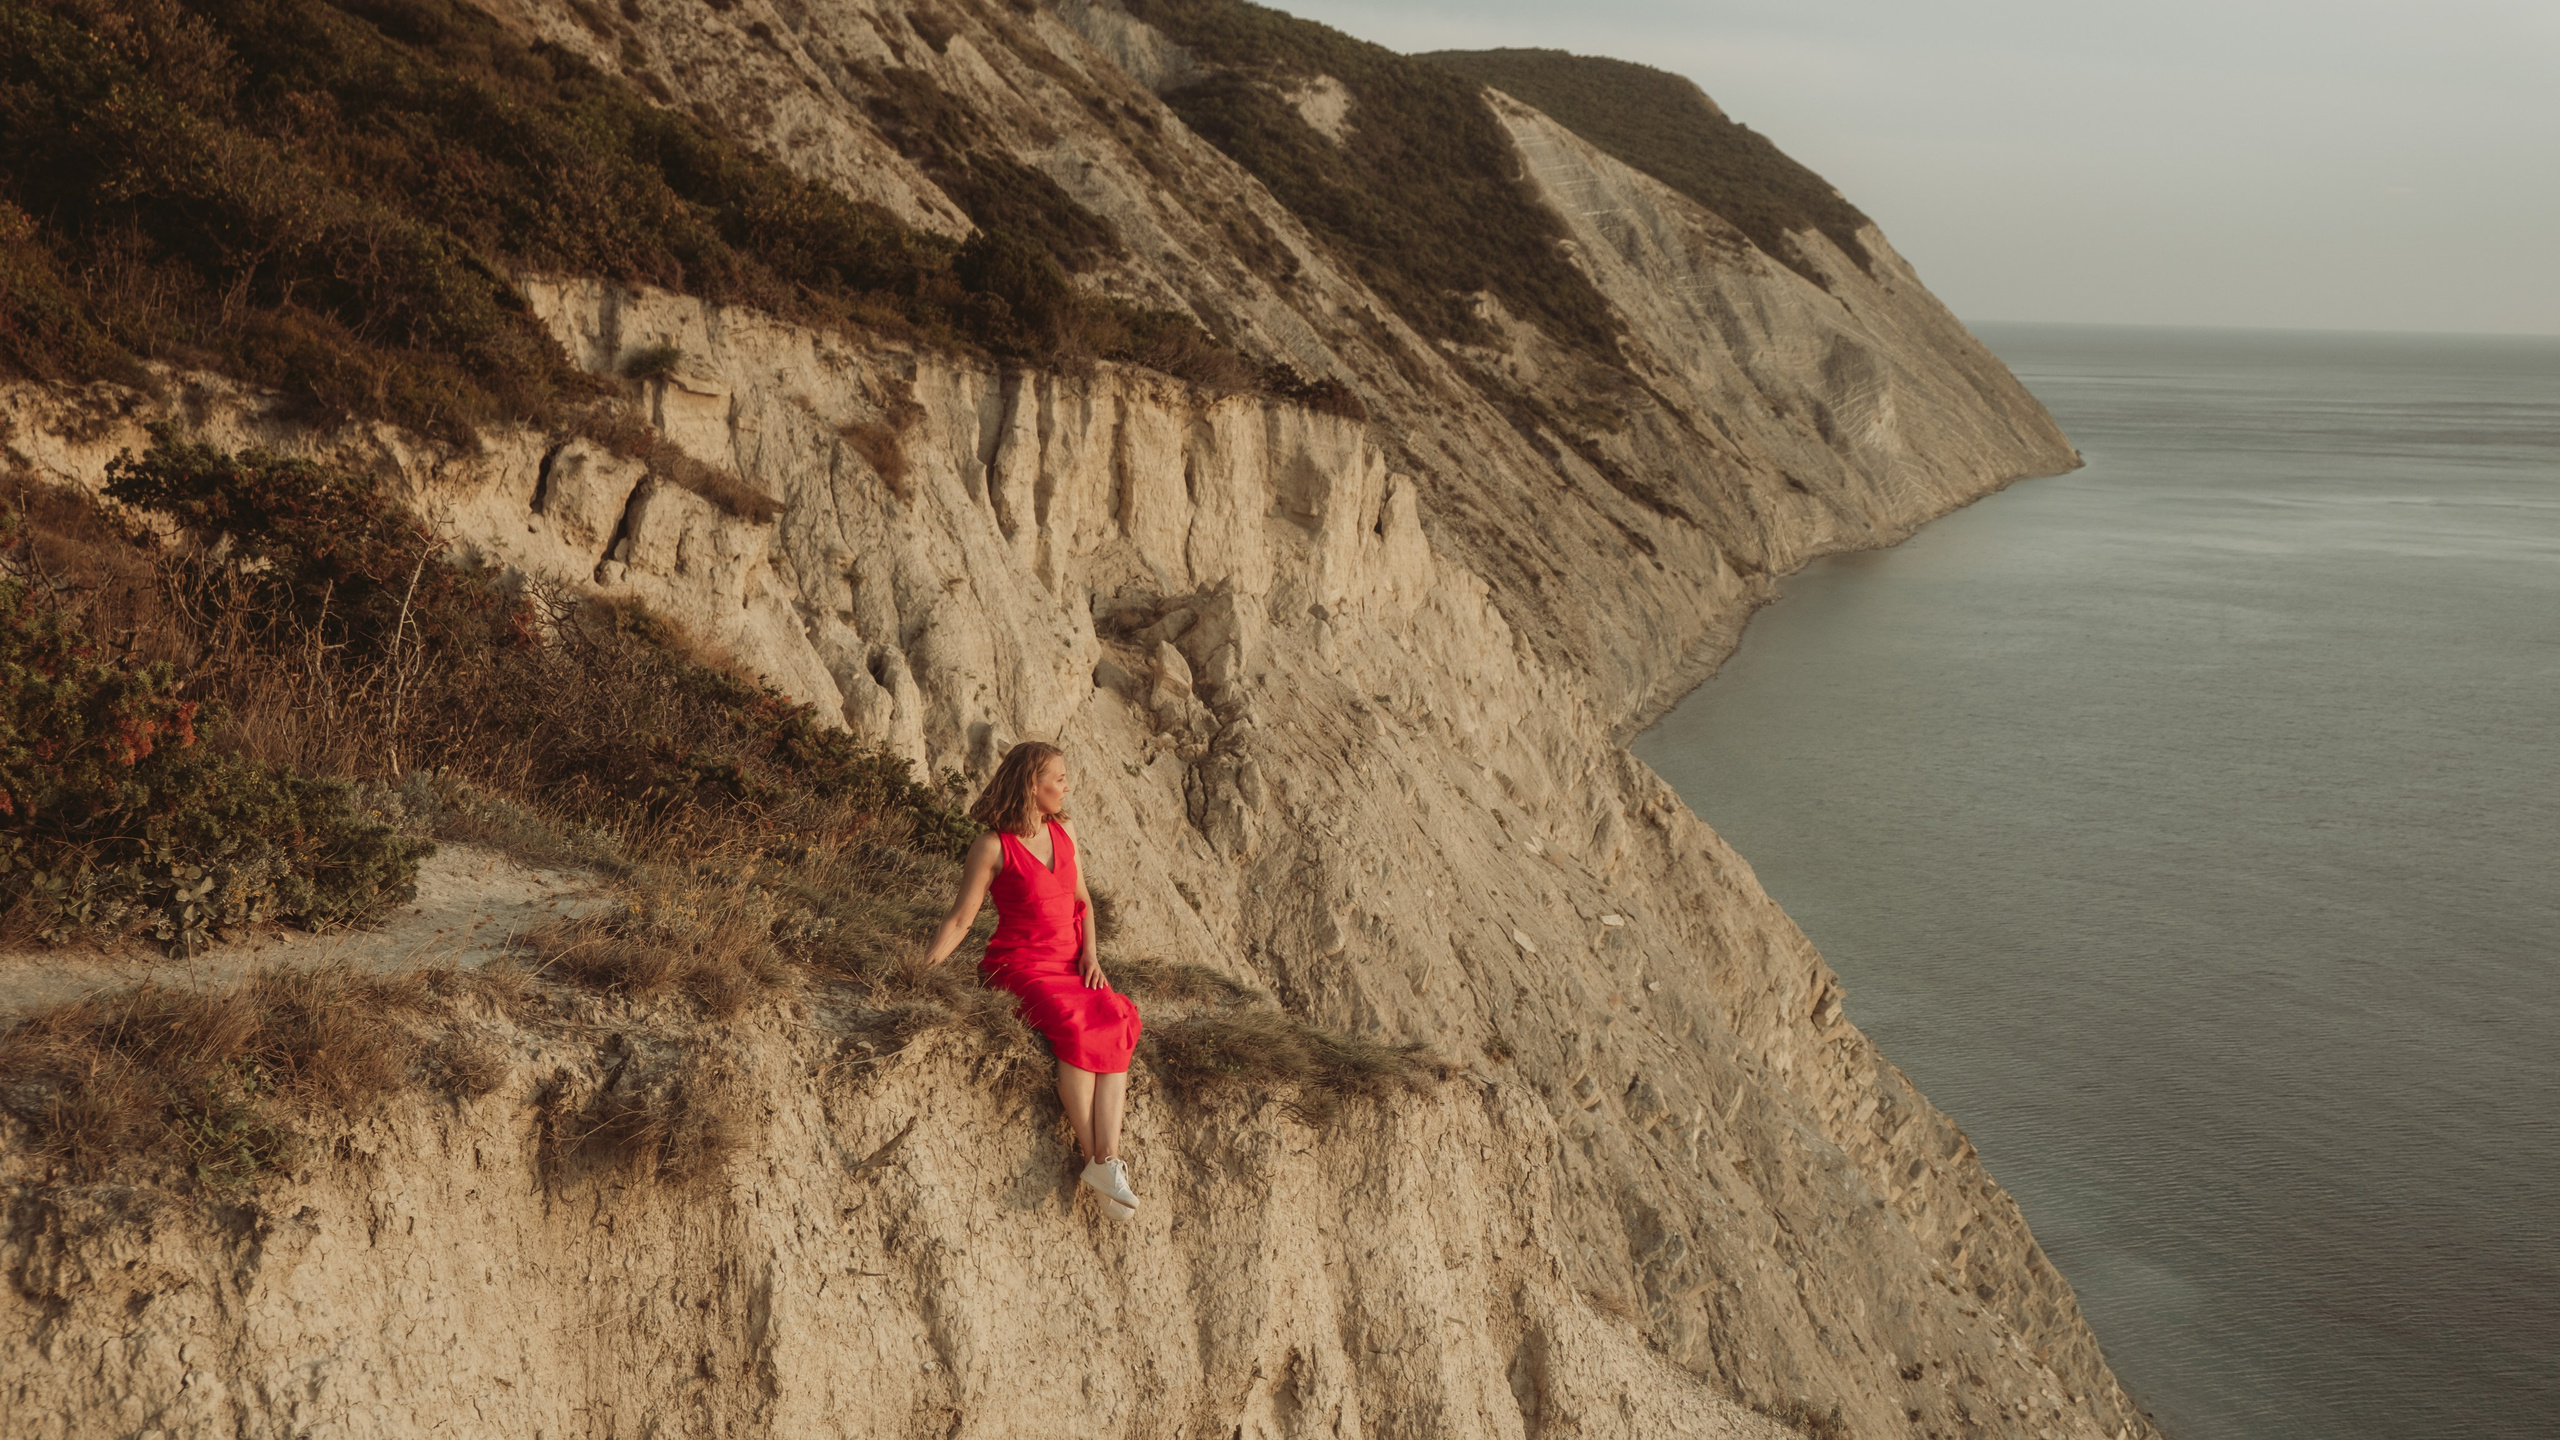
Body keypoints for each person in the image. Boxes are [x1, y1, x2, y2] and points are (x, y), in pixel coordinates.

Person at [920, 741, 1146, 1218]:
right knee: (1075, 1023)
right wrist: (922, 970)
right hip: (1020, 966)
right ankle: (1099, 1161)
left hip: (1070, 964)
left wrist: (1091, 956)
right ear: (1032, 784)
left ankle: (1107, 1162)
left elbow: (1082, 902)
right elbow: (962, 920)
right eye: (1058, 778)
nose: (1067, 786)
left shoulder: (1064, 832)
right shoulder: (991, 846)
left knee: (1116, 1013)